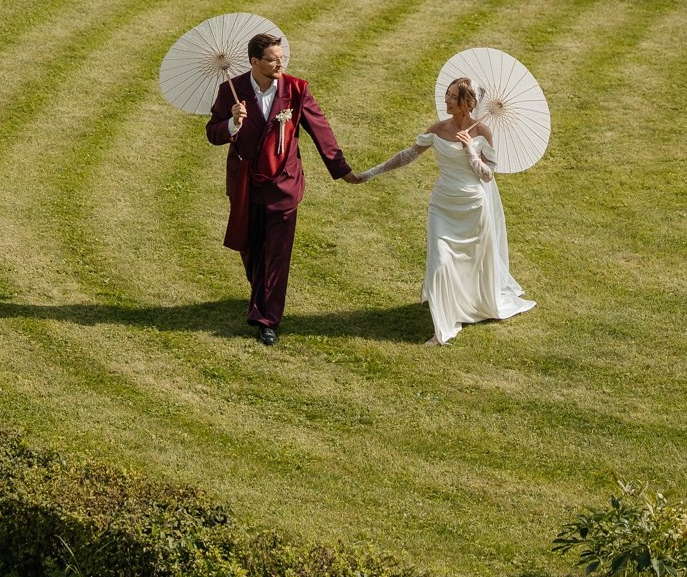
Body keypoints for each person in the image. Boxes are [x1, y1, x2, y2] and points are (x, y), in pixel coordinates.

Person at [354, 77, 534, 345]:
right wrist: (370, 173)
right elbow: (408, 155)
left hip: (473, 207)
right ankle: (445, 324)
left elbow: (487, 176)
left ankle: (466, 306)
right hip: (442, 206)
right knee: (440, 263)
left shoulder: (482, 132)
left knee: (472, 263)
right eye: (447, 95)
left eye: (453, 97)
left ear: (468, 103)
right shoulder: (438, 129)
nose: (446, 100)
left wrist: (470, 152)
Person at [206, 32, 358, 345]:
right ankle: (262, 291)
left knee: (276, 252)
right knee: (250, 247)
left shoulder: (297, 89)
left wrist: (341, 169)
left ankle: (266, 319)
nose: (280, 63)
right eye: (273, 59)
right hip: (246, 183)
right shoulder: (229, 92)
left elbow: (321, 130)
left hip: (284, 183)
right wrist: (233, 124)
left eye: (281, 58)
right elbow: (213, 133)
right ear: (254, 62)